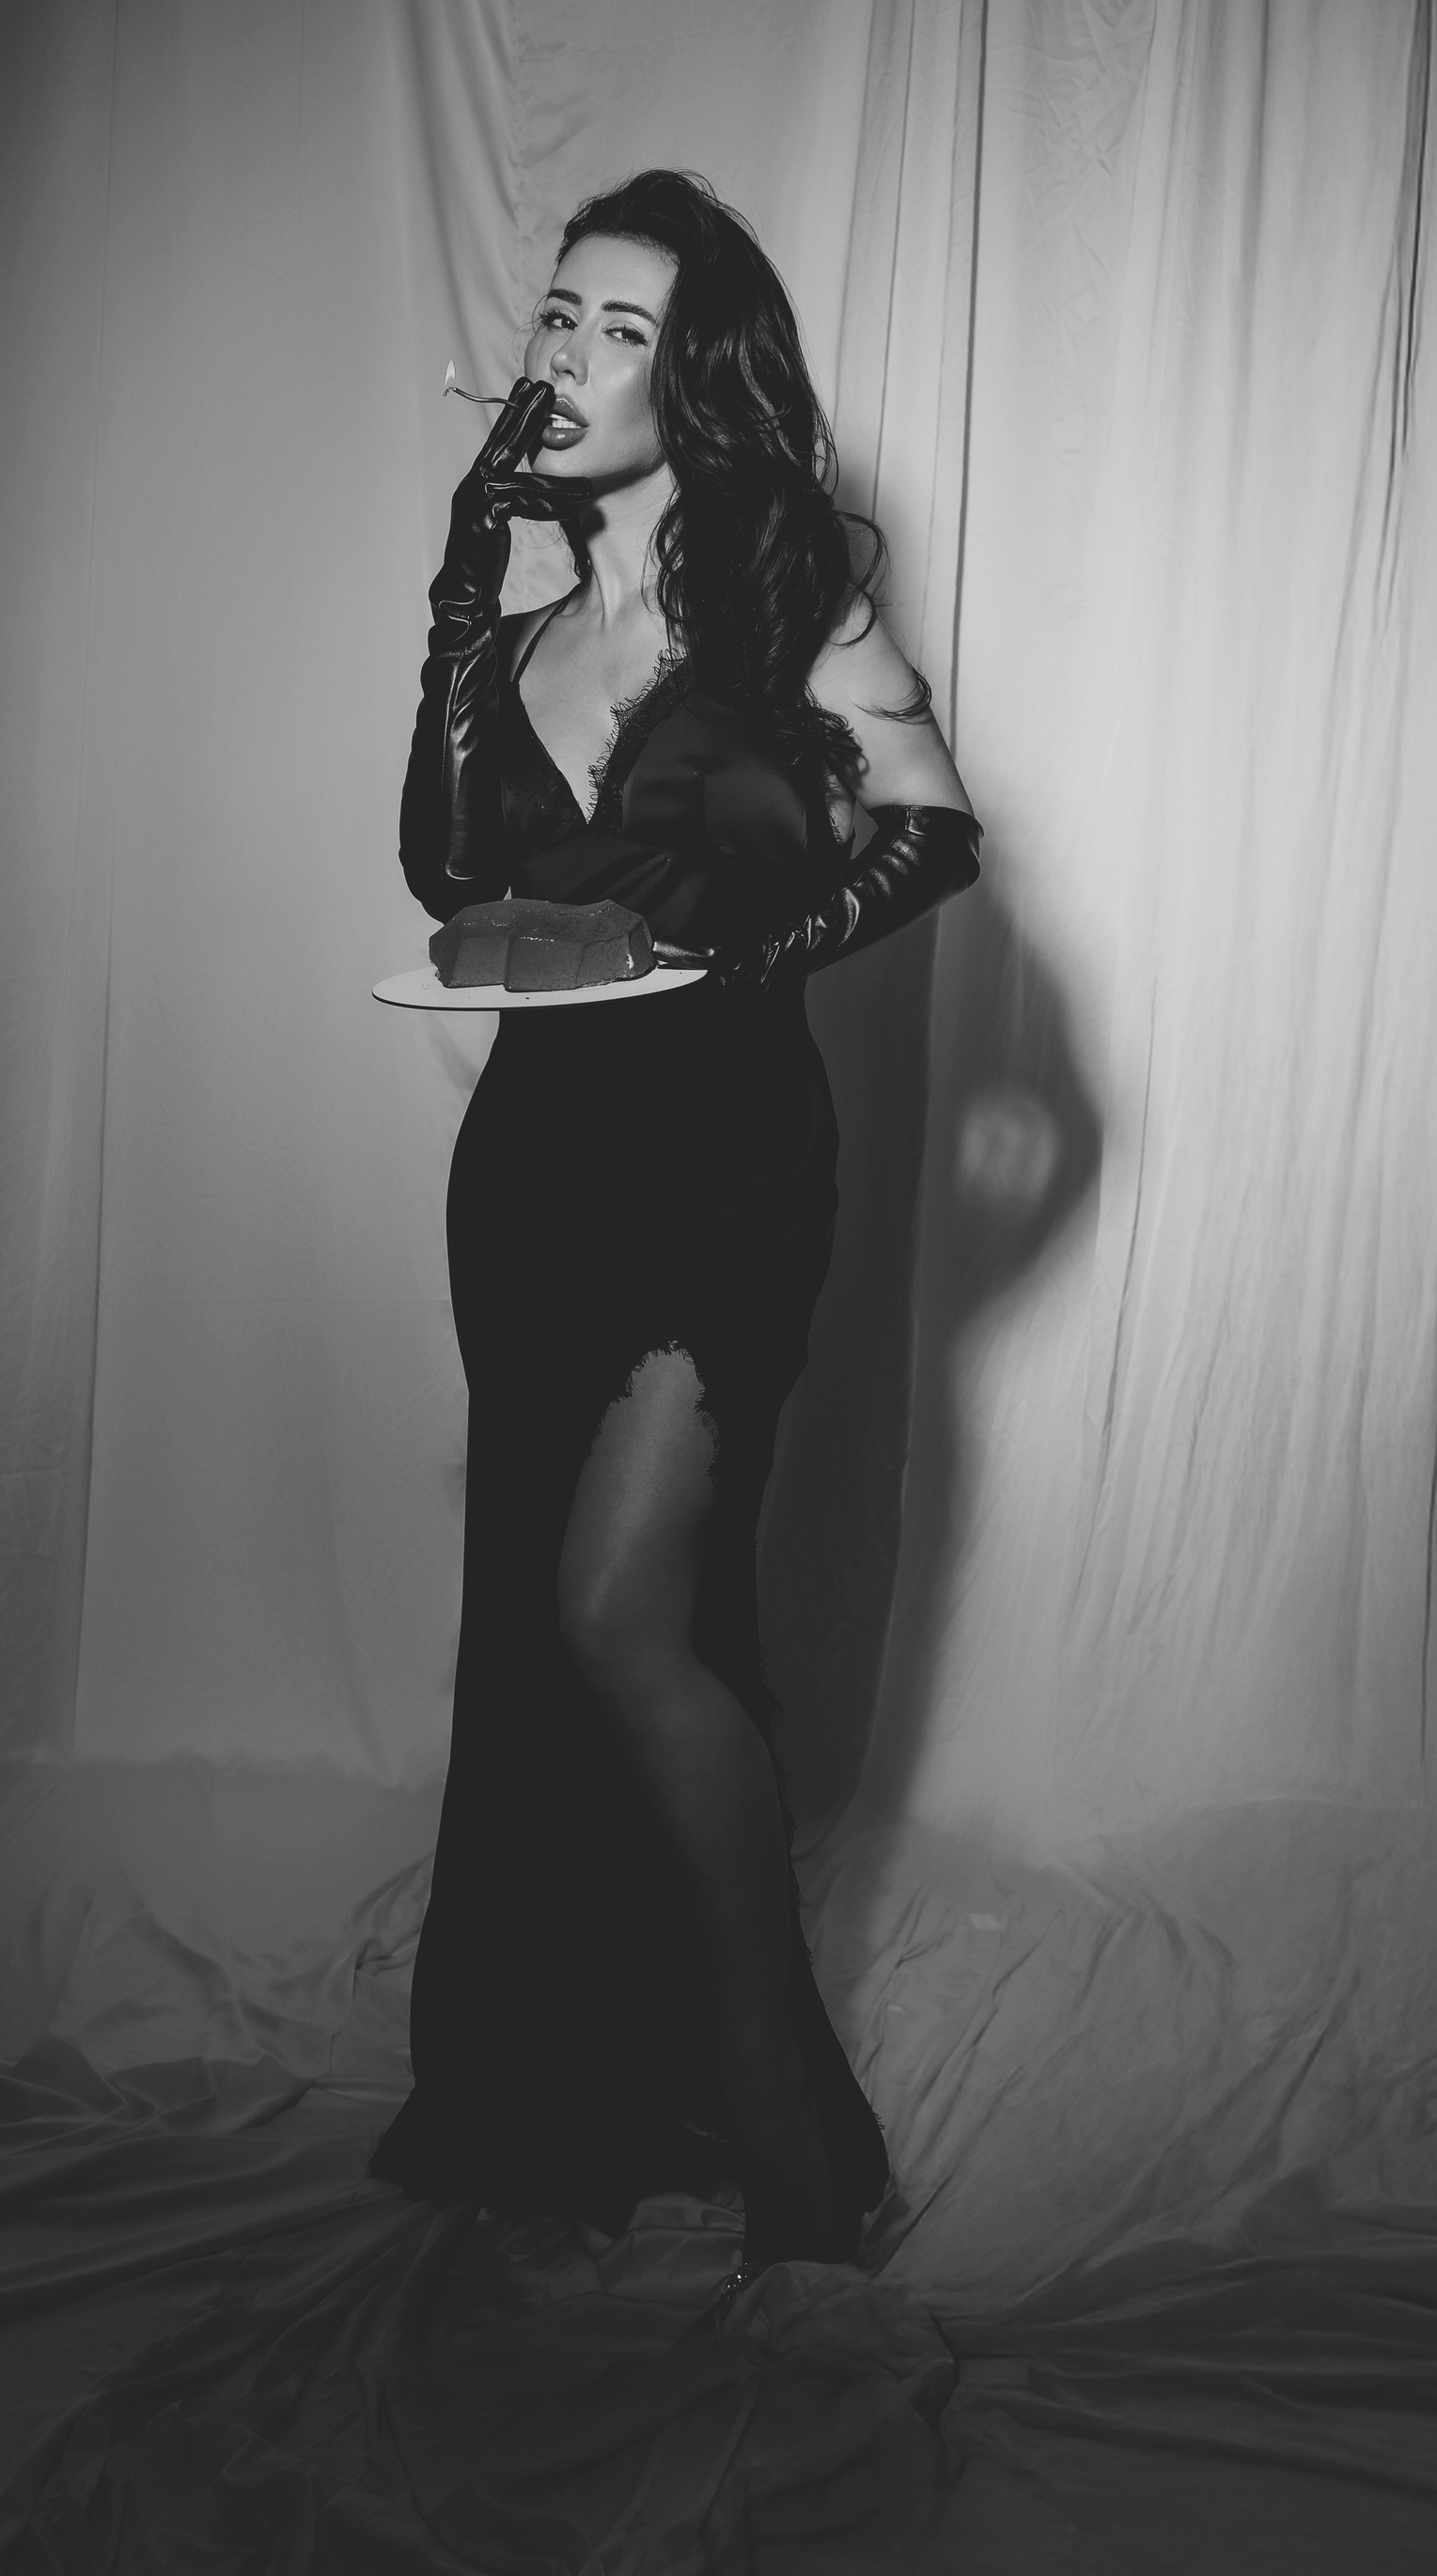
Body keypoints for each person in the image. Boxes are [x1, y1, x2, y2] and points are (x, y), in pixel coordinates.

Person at [372, 169, 979, 2272]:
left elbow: (936, 828)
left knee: (626, 1612)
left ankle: (789, 2116)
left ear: (693, 379)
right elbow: (448, 878)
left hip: (724, 1171)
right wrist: (463, 582)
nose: (568, 356)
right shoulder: (520, 636)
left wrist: (777, 942)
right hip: (534, 1176)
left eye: (620, 329)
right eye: (558, 317)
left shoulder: (789, 600)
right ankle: (563, 2083)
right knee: (557, 1631)